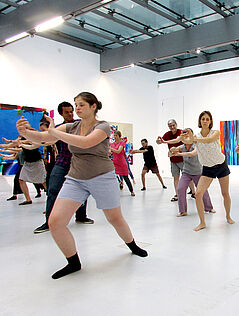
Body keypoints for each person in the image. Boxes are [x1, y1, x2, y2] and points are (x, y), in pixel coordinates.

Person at [17, 92, 148, 279]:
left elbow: (86, 143)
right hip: (76, 178)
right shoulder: (71, 126)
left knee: (114, 218)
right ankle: (73, 262)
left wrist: (54, 133)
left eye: (81, 105)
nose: (77, 108)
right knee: (55, 222)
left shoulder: (102, 126)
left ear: (94, 106)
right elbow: (45, 138)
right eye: (75, 104)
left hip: (102, 177)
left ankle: (133, 245)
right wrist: (25, 132)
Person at [33, 102, 94, 234]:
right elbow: (48, 140)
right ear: (61, 113)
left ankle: (81, 216)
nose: (70, 114)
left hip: (79, 163)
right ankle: (49, 222)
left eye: (71, 111)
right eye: (67, 112)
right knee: (53, 190)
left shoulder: (80, 125)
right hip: (62, 162)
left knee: (82, 190)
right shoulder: (59, 128)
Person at [181, 111, 235, 231]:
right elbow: (186, 141)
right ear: (200, 121)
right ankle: (202, 223)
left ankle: (228, 216)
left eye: (207, 119)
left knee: (225, 193)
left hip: (221, 165)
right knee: (198, 193)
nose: (205, 121)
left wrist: (193, 139)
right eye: (203, 119)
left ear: (210, 121)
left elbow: (209, 140)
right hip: (207, 168)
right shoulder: (196, 137)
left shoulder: (215, 133)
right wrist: (172, 141)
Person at [169, 129, 214, 217]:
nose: (186, 136)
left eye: (188, 134)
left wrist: (179, 154)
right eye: (184, 135)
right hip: (186, 172)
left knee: (202, 191)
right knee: (180, 189)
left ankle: (209, 208)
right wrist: (172, 149)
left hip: (198, 172)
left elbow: (192, 154)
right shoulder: (182, 147)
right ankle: (183, 211)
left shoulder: (196, 145)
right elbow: (170, 153)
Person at [157, 119, 195, 201]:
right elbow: (162, 141)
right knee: (176, 177)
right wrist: (160, 141)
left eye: (173, 125)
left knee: (187, 177)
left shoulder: (181, 132)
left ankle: (194, 192)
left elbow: (177, 140)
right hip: (173, 160)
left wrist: (165, 142)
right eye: (170, 126)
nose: (172, 127)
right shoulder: (167, 134)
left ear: (176, 125)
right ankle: (177, 195)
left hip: (182, 159)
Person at [110, 130, 135, 196]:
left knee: (125, 177)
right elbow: (110, 152)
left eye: (116, 135)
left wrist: (110, 149)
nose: (115, 137)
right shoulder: (111, 144)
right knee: (112, 175)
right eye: (114, 135)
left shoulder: (122, 143)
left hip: (121, 162)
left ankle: (131, 191)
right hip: (114, 162)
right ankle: (119, 182)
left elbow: (118, 151)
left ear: (119, 136)